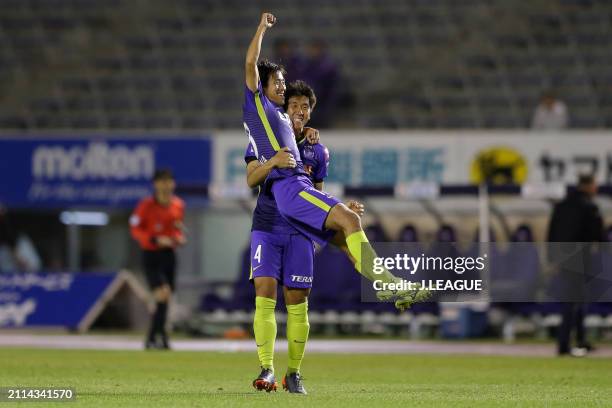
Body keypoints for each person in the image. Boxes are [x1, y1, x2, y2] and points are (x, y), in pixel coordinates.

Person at [243, 12, 427, 391]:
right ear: (265, 87)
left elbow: (307, 164)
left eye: (301, 103)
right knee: (344, 226)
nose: (284, 90)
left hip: (297, 204)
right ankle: (389, 285)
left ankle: (293, 373)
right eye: (278, 83)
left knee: (344, 236)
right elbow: (250, 65)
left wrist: (302, 145)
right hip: (285, 199)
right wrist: (262, 28)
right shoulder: (259, 107)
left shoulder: (300, 136)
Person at [245, 80, 364, 394]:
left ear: (311, 113)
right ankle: (267, 368)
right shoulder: (265, 138)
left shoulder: (318, 151)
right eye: (293, 105)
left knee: (298, 302)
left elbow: (316, 197)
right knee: (264, 293)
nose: (299, 110)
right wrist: (272, 162)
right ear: (285, 109)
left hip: (298, 232)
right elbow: (251, 179)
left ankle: (293, 374)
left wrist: (339, 208)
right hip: (267, 227)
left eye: (305, 107)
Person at [130, 169, 186, 350]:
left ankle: (155, 338)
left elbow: (177, 228)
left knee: (165, 298)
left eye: (169, 181)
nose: (166, 185)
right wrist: (154, 239)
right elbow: (135, 229)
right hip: (152, 254)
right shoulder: (145, 205)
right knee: (163, 293)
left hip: (169, 255)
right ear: (155, 184)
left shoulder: (178, 205)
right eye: (162, 181)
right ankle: (158, 338)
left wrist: (178, 238)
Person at [547, 174, 603, 356]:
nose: (596, 189)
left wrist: (552, 259)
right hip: (580, 260)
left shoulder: (561, 207)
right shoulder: (589, 207)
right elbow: (598, 234)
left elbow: (551, 234)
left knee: (573, 300)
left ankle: (579, 341)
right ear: (587, 186)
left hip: (563, 260)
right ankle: (565, 344)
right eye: (594, 185)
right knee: (574, 302)